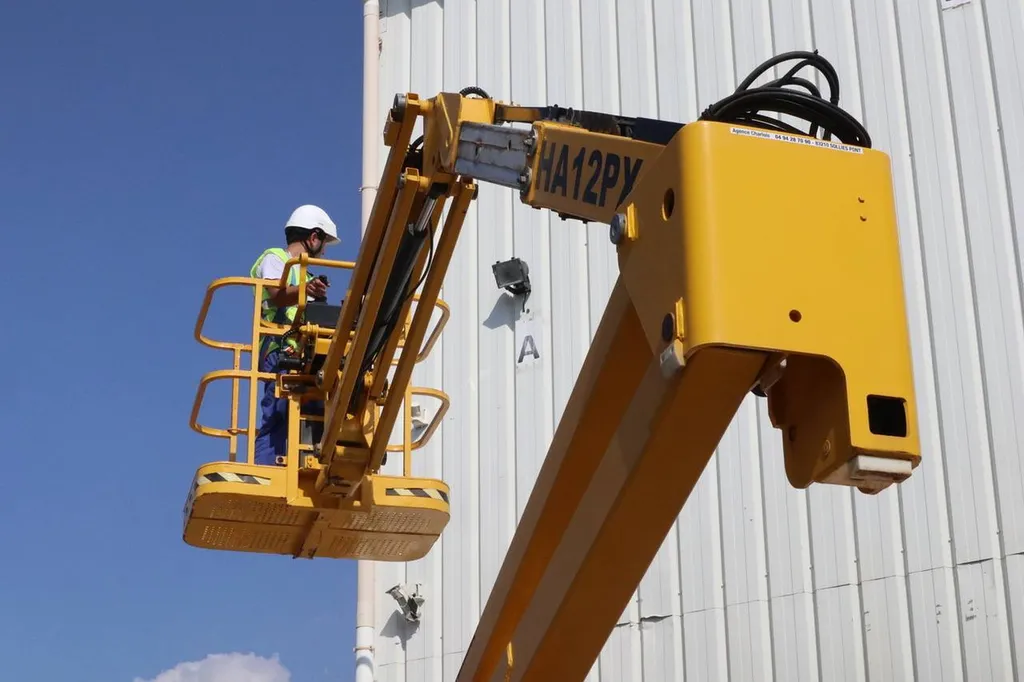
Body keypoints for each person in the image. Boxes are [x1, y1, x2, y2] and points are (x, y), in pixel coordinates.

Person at [251, 204, 340, 465]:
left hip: (303, 354)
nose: (323, 252)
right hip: (278, 350)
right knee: (279, 410)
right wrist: (306, 288)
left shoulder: (306, 275)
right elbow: (275, 295)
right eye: (323, 243)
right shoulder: (276, 258)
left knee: (315, 408)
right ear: (313, 237)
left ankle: (312, 464)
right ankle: (268, 469)